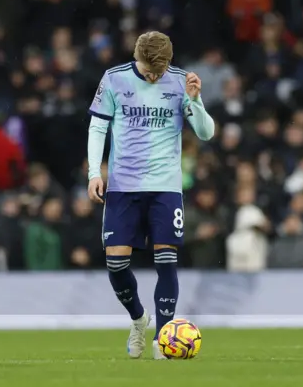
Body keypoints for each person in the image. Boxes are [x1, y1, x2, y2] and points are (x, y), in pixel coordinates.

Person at [86, 31, 214, 359]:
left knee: (167, 262)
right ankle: (138, 318)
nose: (154, 76)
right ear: (136, 57)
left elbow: (205, 132)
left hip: (165, 186)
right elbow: (98, 126)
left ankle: (163, 337)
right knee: (116, 264)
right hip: (123, 186)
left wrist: (196, 101)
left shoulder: (181, 81)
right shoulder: (114, 79)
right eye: (148, 71)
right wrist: (93, 172)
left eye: (159, 71)